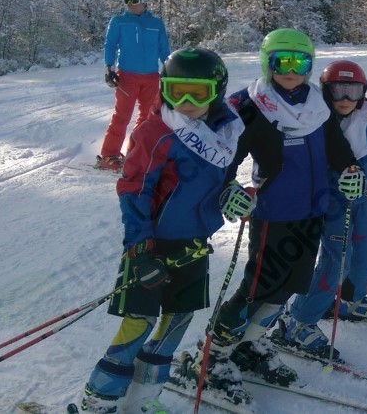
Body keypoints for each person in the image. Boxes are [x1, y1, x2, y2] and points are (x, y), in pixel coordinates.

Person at [175, 28, 357, 404]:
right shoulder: (251, 105)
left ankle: (249, 344)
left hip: (312, 211)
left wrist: (350, 169)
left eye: (299, 63)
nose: (290, 71)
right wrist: (228, 188)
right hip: (273, 213)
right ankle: (210, 356)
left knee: (288, 287)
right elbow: (223, 155)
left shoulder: (317, 104)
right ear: (266, 63)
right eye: (281, 62)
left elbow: (336, 147)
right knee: (256, 289)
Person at [78, 48, 247, 413]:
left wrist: (230, 191)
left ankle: (143, 400)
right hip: (151, 245)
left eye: (198, 93)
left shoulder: (224, 131)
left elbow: (214, 179)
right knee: (139, 322)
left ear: (217, 92)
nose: (186, 103)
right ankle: (100, 401)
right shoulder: (155, 131)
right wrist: (140, 249)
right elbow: (133, 190)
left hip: (194, 244)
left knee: (177, 321)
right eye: (175, 92)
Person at [276, 60, 367, 354]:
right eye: (337, 91)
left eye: (353, 91)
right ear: (325, 91)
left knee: (366, 253)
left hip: (364, 198)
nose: (345, 99)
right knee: (337, 259)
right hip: (332, 202)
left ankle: (350, 300)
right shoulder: (315, 119)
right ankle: (299, 320)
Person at [97, 0, 171, 171]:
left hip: (151, 77)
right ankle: (109, 155)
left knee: (147, 118)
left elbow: (164, 49)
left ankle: (136, 152)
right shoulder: (119, 21)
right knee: (122, 116)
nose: (130, 4)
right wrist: (108, 68)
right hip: (127, 77)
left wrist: (171, 69)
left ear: (144, 3)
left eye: (134, 0)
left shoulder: (156, 24)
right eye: (127, 0)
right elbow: (110, 45)